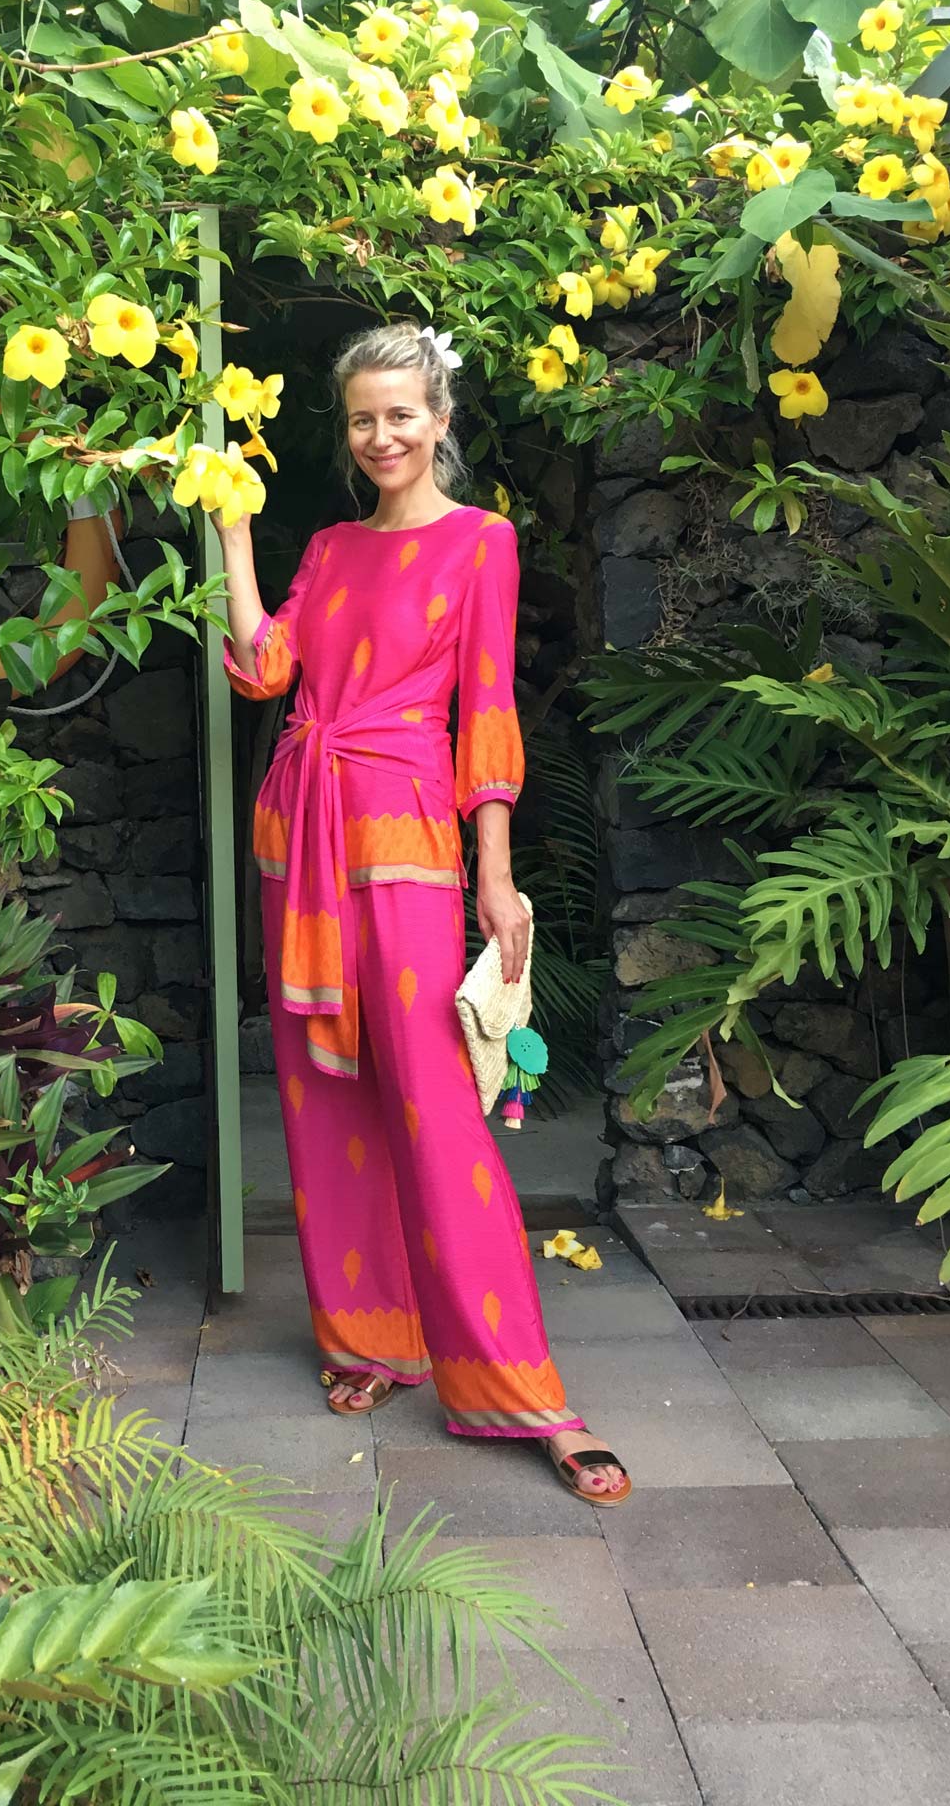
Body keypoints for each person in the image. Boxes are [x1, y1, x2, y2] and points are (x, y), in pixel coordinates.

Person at [214, 321, 631, 1506]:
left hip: (404, 833)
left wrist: (496, 874)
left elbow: (486, 712)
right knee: (320, 1089)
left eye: (403, 413)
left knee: (435, 1102)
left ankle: (526, 1392)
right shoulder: (333, 547)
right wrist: (236, 536)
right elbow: (264, 667)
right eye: (362, 418)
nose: (382, 434)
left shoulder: (481, 543)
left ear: (441, 418)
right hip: (302, 833)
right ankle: (368, 1339)